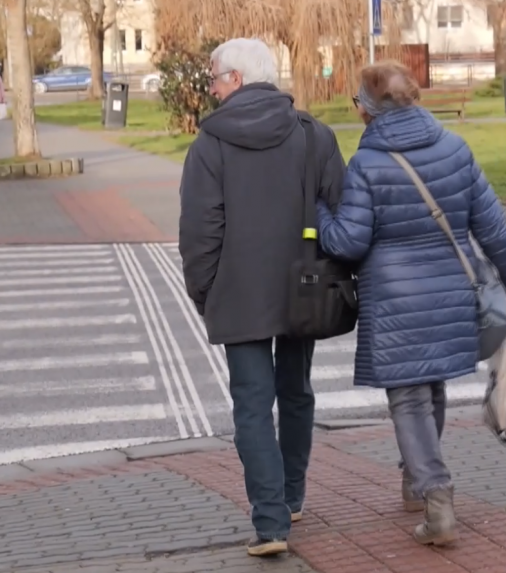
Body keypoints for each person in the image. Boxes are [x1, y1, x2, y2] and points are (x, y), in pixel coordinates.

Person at [314, 61, 506, 547]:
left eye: (356, 103)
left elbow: (347, 242)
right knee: (430, 385)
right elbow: (492, 224)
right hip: (451, 292)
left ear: (368, 110)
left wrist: (319, 212)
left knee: (409, 397)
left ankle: (436, 497)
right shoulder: (454, 147)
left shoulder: (367, 164)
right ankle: (416, 483)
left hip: (394, 303)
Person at [178, 38, 345, 558]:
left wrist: (204, 291)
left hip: (239, 291)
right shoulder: (314, 135)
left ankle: (271, 524)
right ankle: (292, 496)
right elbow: (340, 212)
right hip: (305, 288)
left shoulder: (210, 144)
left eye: (214, 78)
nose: (210, 88)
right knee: (296, 392)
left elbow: (201, 229)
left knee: (252, 406)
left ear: (238, 80)